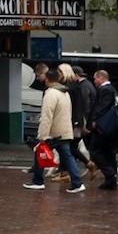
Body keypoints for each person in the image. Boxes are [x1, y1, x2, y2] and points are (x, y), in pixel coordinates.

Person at [25, 63, 86, 194]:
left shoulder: (50, 94)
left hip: (54, 132)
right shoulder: (64, 92)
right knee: (68, 156)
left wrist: (42, 136)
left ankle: (38, 181)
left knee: (39, 153)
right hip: (64, 130)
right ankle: (77, 182)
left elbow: (47, 117)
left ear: (47, 79)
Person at [86, 68, 118, 191]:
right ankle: (110, 180)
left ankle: (110, 173)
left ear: (101, 78)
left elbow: (101, 107)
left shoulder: (106, 90)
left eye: (96, 78)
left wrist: (94, 120)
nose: (94, 81)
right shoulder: (112, 90)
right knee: (108, 151)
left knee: (95, 150)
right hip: (110, 127)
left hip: (103, 127)